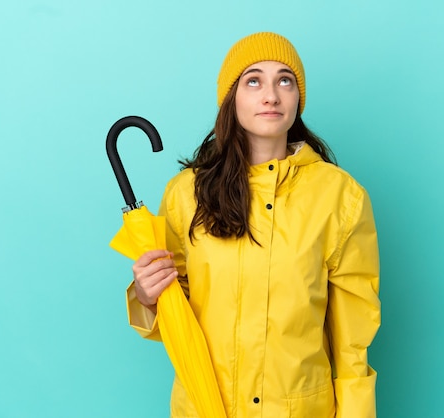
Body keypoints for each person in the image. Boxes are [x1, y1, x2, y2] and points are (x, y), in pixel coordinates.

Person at [126, 32, 381, 418]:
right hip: (205, 406)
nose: (271, 95)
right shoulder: (185, 194)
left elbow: (353, 341)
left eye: (285, 80)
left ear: (298, 97)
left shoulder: (340, 197)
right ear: (232, 98)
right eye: (253, 80)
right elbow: (175, 318)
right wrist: (146, 295)